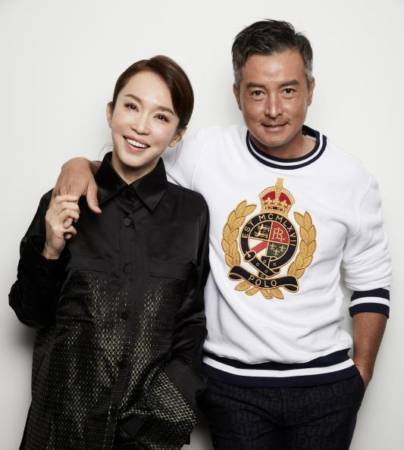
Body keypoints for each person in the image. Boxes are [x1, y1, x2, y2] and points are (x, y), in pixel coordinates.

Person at [54, 20, 391, 450]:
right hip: (231, 389)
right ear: (236, 94)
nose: (273, 109)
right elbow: (135, 167)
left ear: (310, 89)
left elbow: (371, 281)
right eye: (257, 92)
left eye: (288, 90)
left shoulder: (351, 179)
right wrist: (79, 164)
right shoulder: (204, 154)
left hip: (325, 387)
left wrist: (360, 374)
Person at [9, 55, 210, 450]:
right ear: (110, 112)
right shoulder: (61, 201)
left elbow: (190, 324)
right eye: (131, 107)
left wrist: (163, 415)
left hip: (146, 436)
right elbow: (29, 313)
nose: (140, 126)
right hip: (58, 430)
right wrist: (50, 249)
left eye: (161, 116)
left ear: (176, 135)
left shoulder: (191, 214)